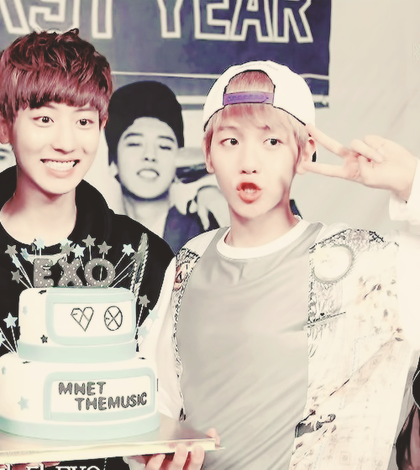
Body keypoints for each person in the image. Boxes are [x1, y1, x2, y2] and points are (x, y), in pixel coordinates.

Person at [138, 60, 420, 469]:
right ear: (208, 154)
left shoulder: (361, 262)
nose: (249, 162)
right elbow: (158, 398)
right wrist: (159, 451)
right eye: (231, 141)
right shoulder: (190, 262)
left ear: (305, 151)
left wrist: (412, 182)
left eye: (271, 141)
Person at [0, 28, 209, 470]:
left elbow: (153, 403)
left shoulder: (144, 257)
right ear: (4, 125)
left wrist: (161, 448)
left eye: (83, 121)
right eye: (44, 119)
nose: (66, 142)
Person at [105, 81, 224, 253]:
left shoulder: (207, 234)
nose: (150, 155)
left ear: (179, 162)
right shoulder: (95, 245)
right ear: (113, 163)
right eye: (135, 143)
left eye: (164, 146)